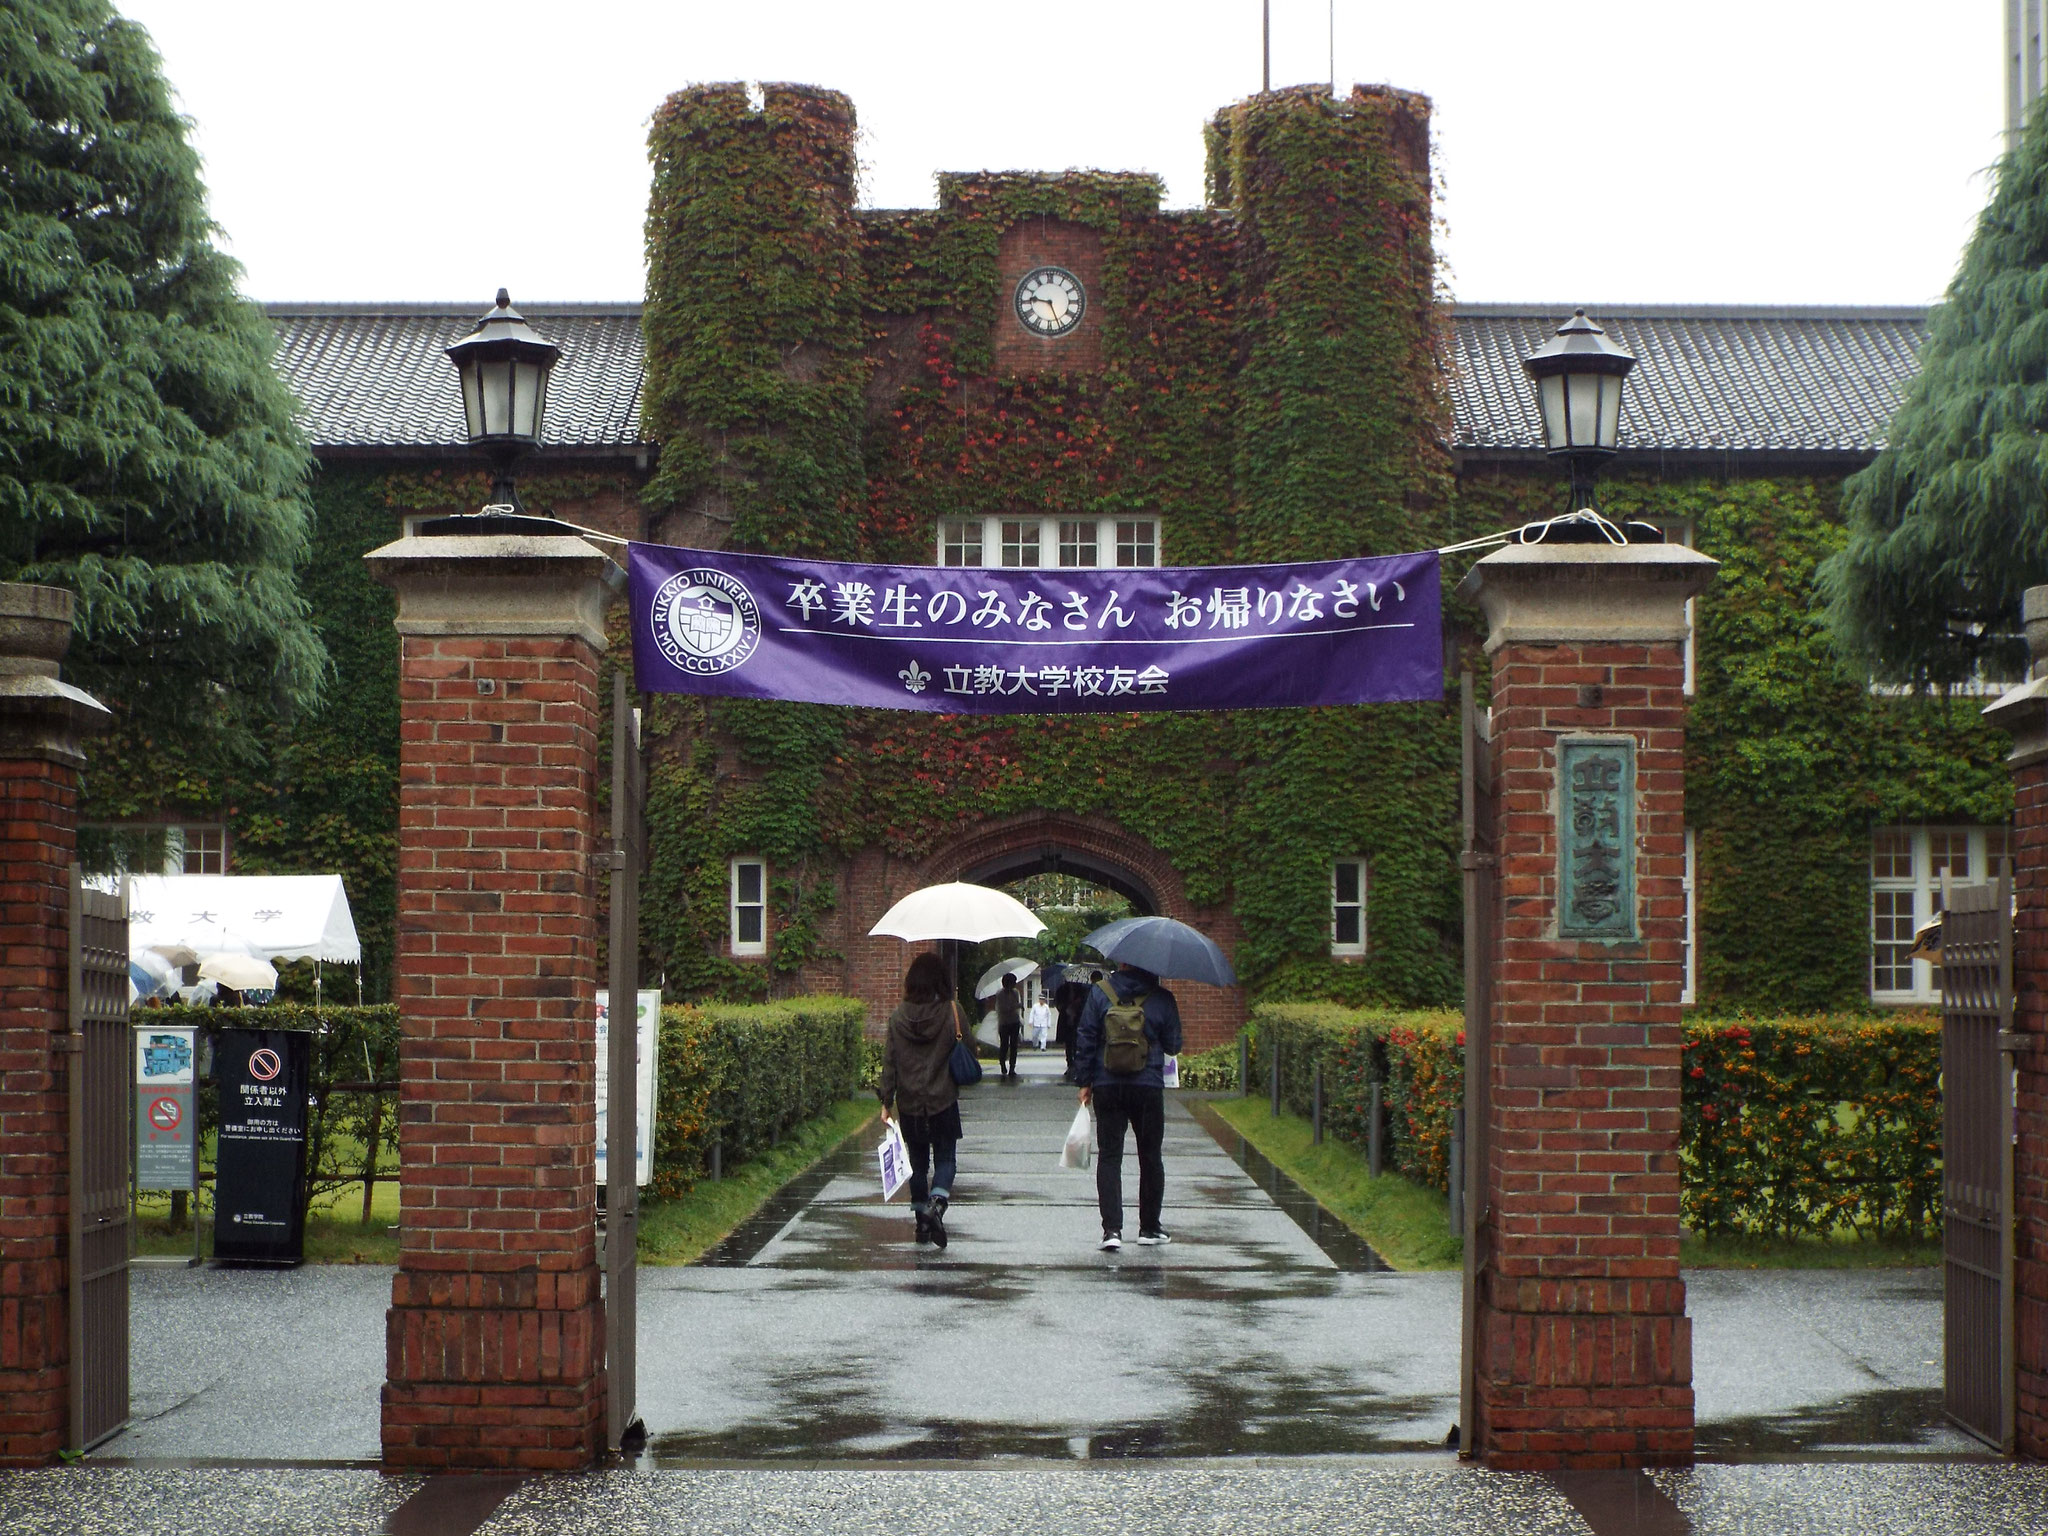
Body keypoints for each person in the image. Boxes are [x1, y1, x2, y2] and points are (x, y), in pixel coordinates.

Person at [1074, 960, 1183, 1252]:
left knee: (1110, 1156)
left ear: (1121, 962)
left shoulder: (1100, 993)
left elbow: (1085, 1037)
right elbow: (1174, 1045)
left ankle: (1112, 1230)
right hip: (1147, 1087)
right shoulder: (1162, 997)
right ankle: (1149, 1227)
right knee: (1150, 1156)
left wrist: (1085, 1081)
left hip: (1107, 1084)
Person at [878, 952, 965, 1248]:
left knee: (916, 1163)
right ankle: (937, 1204)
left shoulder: (898, 1016)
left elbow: (889, 1061)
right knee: (946, 1158)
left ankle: (921, 1226)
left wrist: (886, 1102)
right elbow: (969, 1043)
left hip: (911, 1101)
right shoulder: (951, 1011)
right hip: (943, 1099)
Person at [995, 971, 1024, 1079]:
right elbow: (1002, 1008)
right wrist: (1015, 1006)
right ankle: (1002, 1064)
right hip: (1004, 1022)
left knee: (1014, 1045)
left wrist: (1018, 1006)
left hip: (1014, 1021)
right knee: (1004, 1045)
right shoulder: (1000, 994)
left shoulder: (1015, 992)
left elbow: (1016, 1004)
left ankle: (1012, 1067)